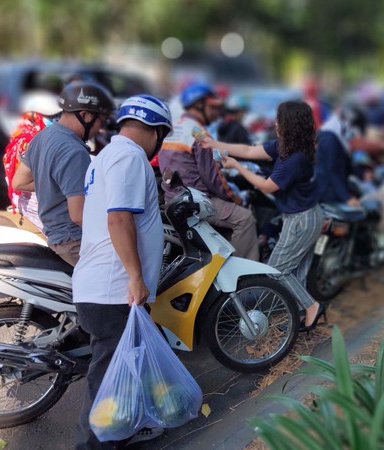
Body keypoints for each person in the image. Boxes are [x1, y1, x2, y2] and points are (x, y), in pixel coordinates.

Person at [72, 95, 172, 449]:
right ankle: (97, 444)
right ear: (157, 132)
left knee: (122, 367)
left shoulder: (103, 158)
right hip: (114, 287)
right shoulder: (130, 156)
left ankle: (126, 427)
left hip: (100, 284)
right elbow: (118, 217)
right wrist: (135, 276)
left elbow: (89, 214)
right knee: (107, 377)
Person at [202, 100, 325, 331]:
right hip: (303, 216)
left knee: (278, 269)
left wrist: (237, 167)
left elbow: (268, 187)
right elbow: (249, 150)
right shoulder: (286, 145)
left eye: (279, 119)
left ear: (288, 123)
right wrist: (213, 144)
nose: (275, 123)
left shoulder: (295, 157)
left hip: (302, 219)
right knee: (295, 270)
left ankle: (311, 307)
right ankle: (301, 315)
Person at [12, 81, 114, 266]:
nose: (100, 128)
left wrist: (54, 186)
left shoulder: (42, 137)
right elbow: (79, 215)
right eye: (101, 121)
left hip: (54, 235)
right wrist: (116, 231)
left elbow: (18, 182)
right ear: (85, 115)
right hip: (75, 241)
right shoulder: (75, 151)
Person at [157, 82, 259, 261]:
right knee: (245, 218)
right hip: (195, 202)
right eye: (213, 107)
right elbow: (212, 177)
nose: (216, 113)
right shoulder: (199, 133)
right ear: (200, 105)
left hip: (172, 199)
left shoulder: (175, 128)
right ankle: (245, 277)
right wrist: (234, 198)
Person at [3, 92, 63, 232]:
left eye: (57, 116)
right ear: (33, 115)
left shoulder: (20, 136)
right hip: (37, 208)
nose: (57, 119)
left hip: (28, 203)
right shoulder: (34, 141)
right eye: (51, 116)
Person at [315, 107, 367, 206]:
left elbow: (345, 163)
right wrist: (347, 198)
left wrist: (362, 174)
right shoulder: (329, 138)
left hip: (333, 192)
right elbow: (332, 170)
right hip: (327, 195)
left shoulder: (336, 137)